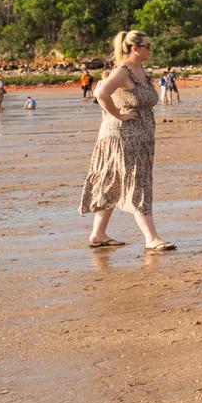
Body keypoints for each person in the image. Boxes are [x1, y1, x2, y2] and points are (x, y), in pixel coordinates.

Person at [79, 31, 175, 252]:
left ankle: (98, 234)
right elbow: (101, 93)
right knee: (137, 181)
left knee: (113, 183)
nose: (151, 49)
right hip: (123, 135)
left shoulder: (140, 71)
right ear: (135, 48)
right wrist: (118, 115)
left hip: (139, 135)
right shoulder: (123, 71)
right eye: (148, 46)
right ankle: (151, 237)